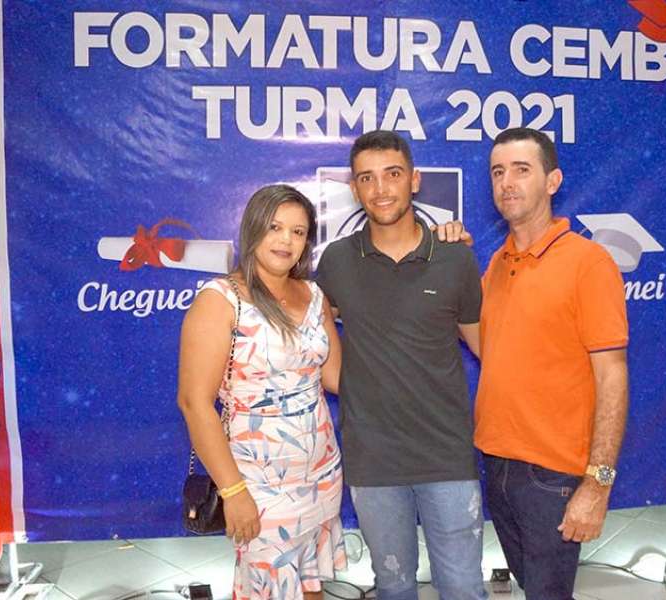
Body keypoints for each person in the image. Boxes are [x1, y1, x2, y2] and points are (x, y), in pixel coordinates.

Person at [315, 130, 488, 600]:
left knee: (464, 587)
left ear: (414, 180)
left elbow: (488, 349)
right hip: (373, 460)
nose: (380, 189)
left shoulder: (454, 257)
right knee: (393, 586)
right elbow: (309, 330)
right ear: (354, 188)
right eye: (366, 178)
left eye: (392, 174)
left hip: (447, 454)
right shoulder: (336, 261)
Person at [475, 127, 629, 600]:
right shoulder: (496, 265)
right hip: (497, 463)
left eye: (522, 170)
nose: (507, 182)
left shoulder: (588, 262)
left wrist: (598, 484)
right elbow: (491, 347)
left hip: (553, 475)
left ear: (553, 180)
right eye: (498, 172)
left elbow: (612, 376)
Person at [178, 184, 345, 600]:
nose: (286, 240)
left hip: (321, 472)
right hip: (258, 482)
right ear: (252, 228)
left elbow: (337, 378)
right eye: (275, 227)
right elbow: (194, 403)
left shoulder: (314, 296)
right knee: (267, 588)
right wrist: (233, 492)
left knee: (310, 586)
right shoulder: (221, 300)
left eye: (298, 232)